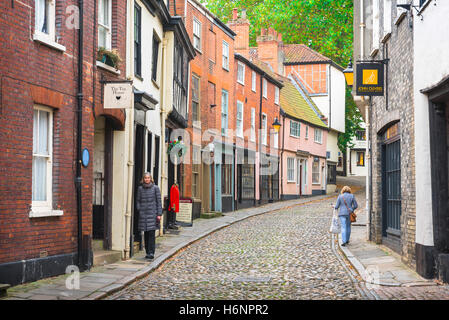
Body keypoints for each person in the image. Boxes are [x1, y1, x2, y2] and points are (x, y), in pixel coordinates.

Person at [136, 173, 162, 260]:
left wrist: (159, 214)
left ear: (151, 179)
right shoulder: (140, 189)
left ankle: (151, 252)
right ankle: (147, 252)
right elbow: (138, 201)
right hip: (143, 214)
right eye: (145, 178)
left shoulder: (155, 188)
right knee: (146, 234)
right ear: (143, 179)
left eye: (148, 178)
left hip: (153, 214)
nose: (147, 179)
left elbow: (159, 202)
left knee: (151, 234)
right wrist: (139, 209)